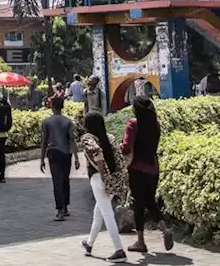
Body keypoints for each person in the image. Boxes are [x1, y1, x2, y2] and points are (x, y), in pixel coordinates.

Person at [121, 95, 173, 253]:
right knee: (150, 200)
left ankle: (141, 241)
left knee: (138, 204)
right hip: (153, 167)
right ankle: (165, 229)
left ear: (136, 109)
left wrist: (118, 147)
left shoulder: (133, 124)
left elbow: (126, 148)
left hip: (137, 168)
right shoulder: (155, 124)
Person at [79, 111, 127, 261]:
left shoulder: (88, 138)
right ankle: (89, 243)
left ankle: (119, 251)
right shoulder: (110, 137)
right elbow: (120, 158)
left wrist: (102, 171)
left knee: (107, 214)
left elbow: (96, 151)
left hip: (99, 180)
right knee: (98, 213)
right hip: (113, 180)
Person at [39, 94, 80, 221]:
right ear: (62, 107)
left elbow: (44, 141)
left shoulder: (46, 122)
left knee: (57, 181)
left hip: (53, 153)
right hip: (66, 153)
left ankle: (60, 210)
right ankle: (65, 207)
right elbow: (72, 140)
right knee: (65, 179)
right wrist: (77, 157)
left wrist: (41, 159)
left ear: (52, 106)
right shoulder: (68, 121)